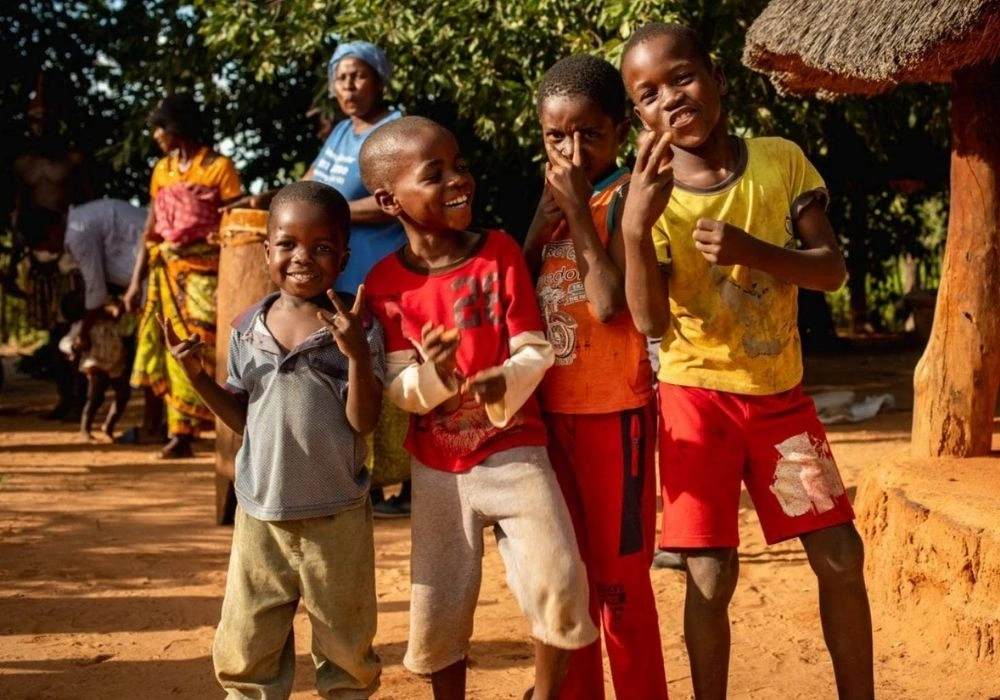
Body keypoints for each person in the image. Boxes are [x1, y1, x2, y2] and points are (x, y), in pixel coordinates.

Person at [619, 23, 874, 700]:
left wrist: (751, 250)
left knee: (841, 557)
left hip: (780, 402)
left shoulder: (780, 160)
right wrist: (634, 229)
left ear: (719, 78)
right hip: (695, 407)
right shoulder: (649, 195)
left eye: (682, 77)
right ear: (639, 117)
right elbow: (648, 321)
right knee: (710, 575)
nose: (671, 98)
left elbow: (831, 271)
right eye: (649, 94)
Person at [361, 116, 598, 700]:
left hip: (515, 450)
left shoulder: (498, 253)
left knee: (560, 580)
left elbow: (535, 349)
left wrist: (503, 383)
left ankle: (544, 696)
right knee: (438, 604)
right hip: (437, 469)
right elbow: (398, 385)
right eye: (434, 174)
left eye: (460, 166)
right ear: (390, 201)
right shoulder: (385, 284)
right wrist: (437, 376)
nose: (457, 180)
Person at [163, 180, 383, 698]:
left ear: (343, 257)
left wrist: (356, 354)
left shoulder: (355, 327)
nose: (302, 257)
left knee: (346, 643)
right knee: (248, 641)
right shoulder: (247, 328)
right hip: (260, 514)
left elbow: (363, 422)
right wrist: (197, 378)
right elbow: (244, 419)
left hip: (336, 516)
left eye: (321, 247)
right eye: (287, 244)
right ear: (266, 252)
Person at [523, 55, 668, 700]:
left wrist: (579, 214)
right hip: (549, 416)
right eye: (557, 136)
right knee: (569, 581)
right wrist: (537, 230)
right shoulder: (550, 202)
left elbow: (609, 305)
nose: (574, 151)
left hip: (616, 416)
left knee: (620, 585)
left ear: (619, 131)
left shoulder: (626, 197)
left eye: (591, 134)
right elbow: (518, 294)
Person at [235, 40, 411, 516]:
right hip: (333, 274)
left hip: (376, 273)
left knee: (378, 368)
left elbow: (398, 196)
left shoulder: (394, 130)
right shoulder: (340, 133)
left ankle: (399, 485)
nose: (348, 86)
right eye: (340, 77)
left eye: (358, 75)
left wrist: (331, 215)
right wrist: (271, 200)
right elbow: (310, 186)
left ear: (379, 79)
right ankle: (359, 478)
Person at [123, 93, 243, 458]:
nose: (156, 135)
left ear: (177, 126)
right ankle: (180, 432)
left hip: (207, 271)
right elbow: (151, 228)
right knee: (172, 345)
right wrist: (135, 282)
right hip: (166, 270)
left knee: (203, 340)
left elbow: (233, 217)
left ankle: (224, 424)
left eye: (160, 127)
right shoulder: (162, 170)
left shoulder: (218, 167)